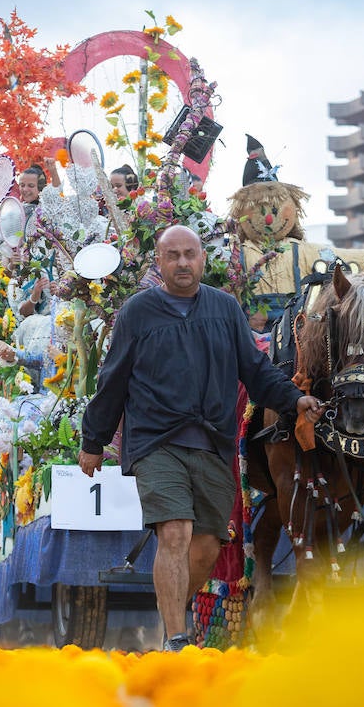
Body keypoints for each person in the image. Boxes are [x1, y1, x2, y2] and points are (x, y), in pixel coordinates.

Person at [79, 225, 322, 652]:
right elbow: (111, 379)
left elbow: (255, 369)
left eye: (190, 254)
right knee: (174, 532)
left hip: (212, 442)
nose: (182, 263)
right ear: (160, 261)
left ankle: (170, 613)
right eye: (172, 255)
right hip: (155, 441)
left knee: (207, 547)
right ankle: (176, 636)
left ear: (202, 260)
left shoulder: (224, 308)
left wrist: (294, 399)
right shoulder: (138, 312)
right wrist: (94, 441)